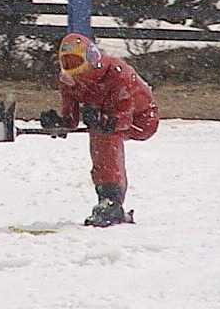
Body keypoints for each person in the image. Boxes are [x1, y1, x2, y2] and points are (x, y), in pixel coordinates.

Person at [40, 33, 159, 227]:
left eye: (76, 62)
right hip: (107, 115)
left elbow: (124, 118)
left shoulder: (117, 73)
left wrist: (104, 120)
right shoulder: (70, 80)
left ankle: (112, 201)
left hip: (142, 119)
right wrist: (58, 122)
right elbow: (71, 119)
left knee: (104, 136)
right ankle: (107, 200)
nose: (73, 70)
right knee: (101, 132)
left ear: (92, 58)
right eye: (67, 63)